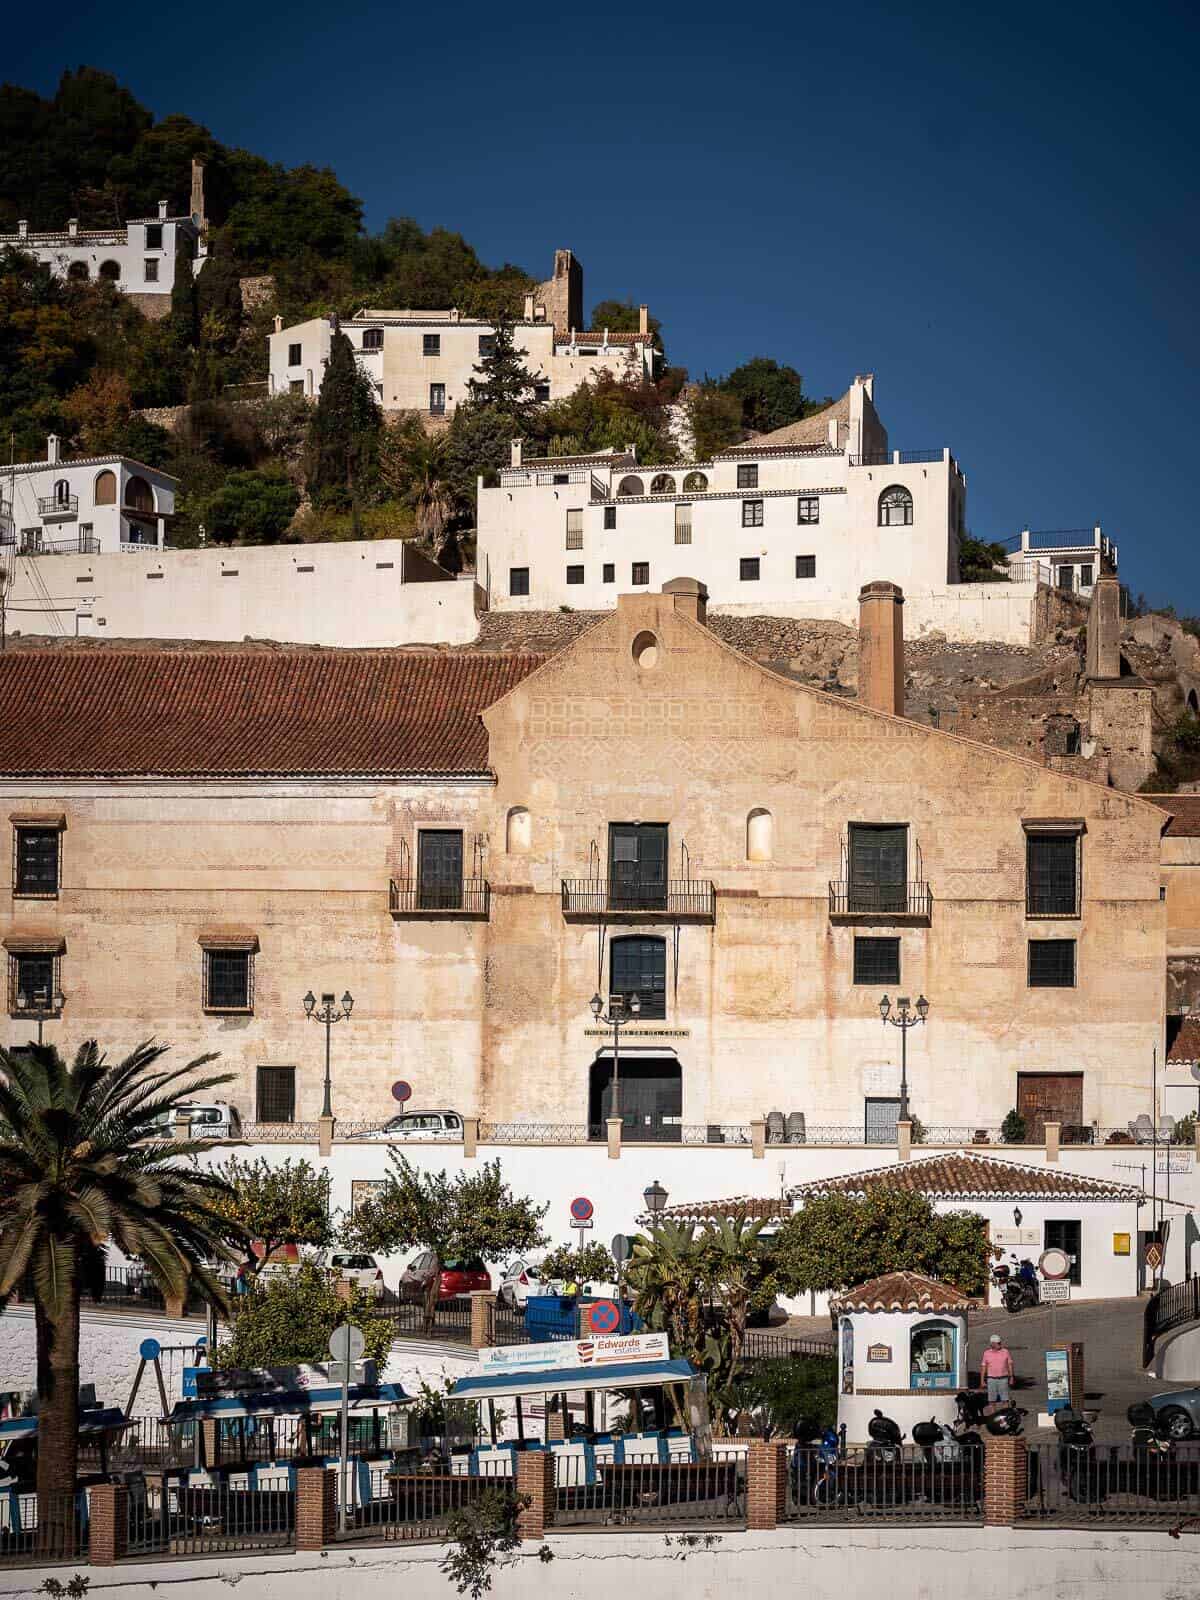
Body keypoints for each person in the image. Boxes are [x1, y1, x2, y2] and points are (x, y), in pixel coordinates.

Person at [980, 1333, 1015, 1404]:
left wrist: (1011, 1377)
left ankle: (1005, 1415)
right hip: (991, 1379)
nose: (1000, 1344)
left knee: (1005, 1400)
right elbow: (983, 1367)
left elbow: (1010, 1365)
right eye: (998, 1343)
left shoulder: (1005, 1352)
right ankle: (994, 1415)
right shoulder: (986, 1353)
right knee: (992, 1401)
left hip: (1003, 1379)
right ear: (992, 1344)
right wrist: (982, 1381)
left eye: (1000, 1343)